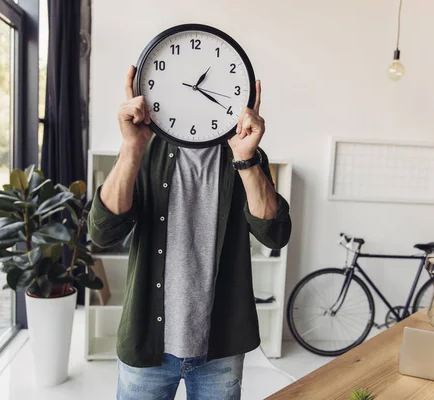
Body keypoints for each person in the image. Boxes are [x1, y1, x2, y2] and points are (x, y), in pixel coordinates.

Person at [88, 66, 292, 400]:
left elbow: (276, 234)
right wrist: (131, 148)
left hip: (220, 348)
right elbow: (103, 232)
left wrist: (246, 159)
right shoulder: (144, 150)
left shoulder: (247, 156)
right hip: (147, 344)